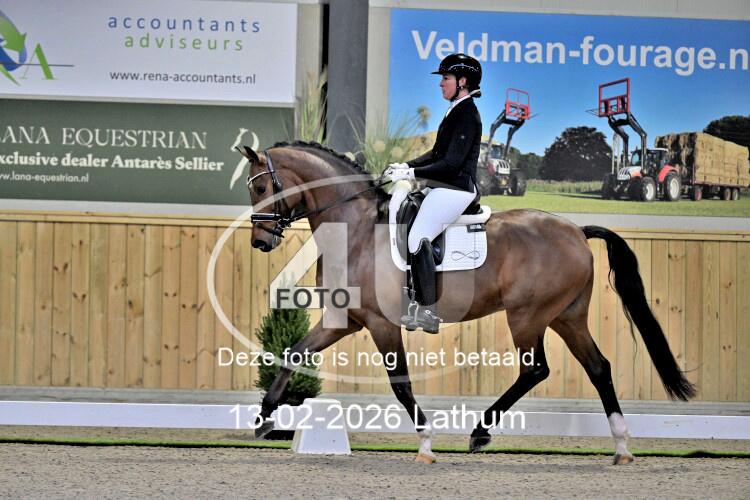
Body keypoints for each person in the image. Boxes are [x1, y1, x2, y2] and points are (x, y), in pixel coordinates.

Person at [385, 53, 483, 333]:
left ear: (462, 81)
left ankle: (428, 311)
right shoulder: (455, 110)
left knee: (418, 236)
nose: (441, 83)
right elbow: (436, 153)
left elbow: (451, 164)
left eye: (446, 78)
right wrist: (406, 165)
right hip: (444, 186)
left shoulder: (467, 114)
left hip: (457, 189)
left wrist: (411, 174)